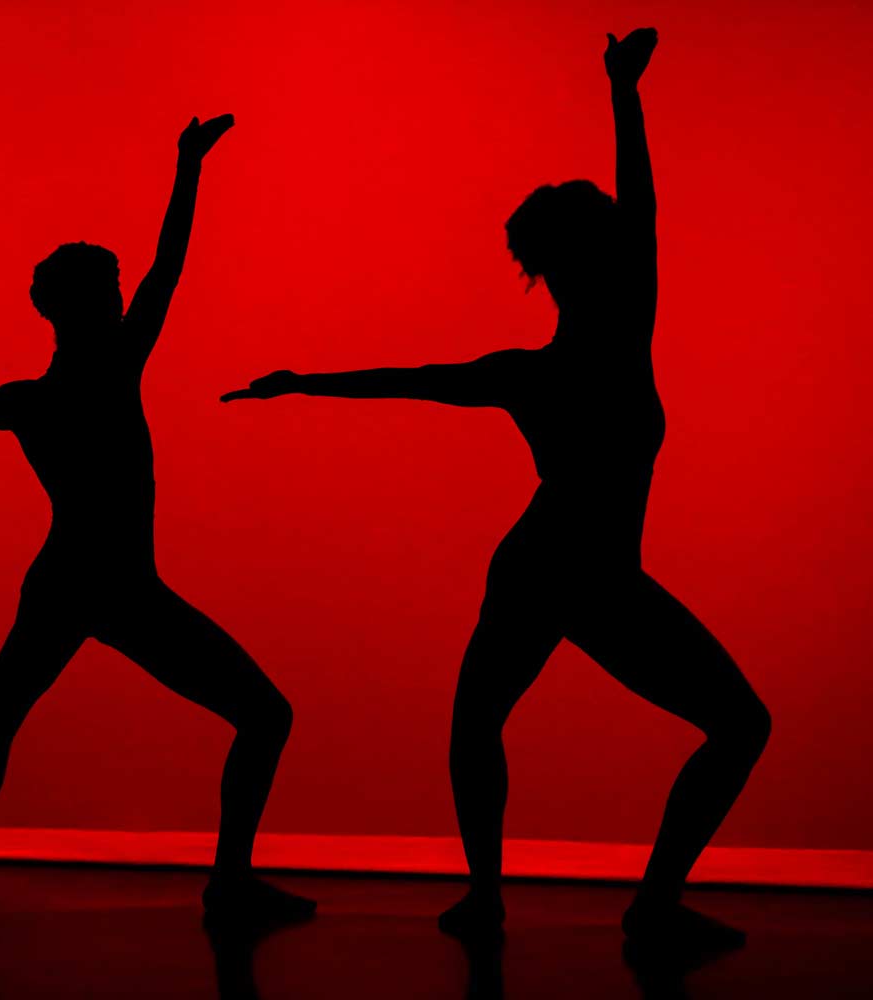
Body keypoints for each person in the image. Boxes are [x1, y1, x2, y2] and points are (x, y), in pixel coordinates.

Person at [223, 30, 768, 951]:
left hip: (566, 570)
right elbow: (418, 376)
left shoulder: (564, 354)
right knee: (508, 716)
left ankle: (581, 900)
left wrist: (623, 91)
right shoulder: (589, 347)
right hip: (568, 570)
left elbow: (639, 213)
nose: (627, 254)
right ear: (576, 264)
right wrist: (305, 382)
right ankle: (566, 900)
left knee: (690, 723)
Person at [0, 115, 314, 923]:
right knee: (262, 714)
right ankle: (223, 883)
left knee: (2, 718)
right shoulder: (104, 374)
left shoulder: (34, 400)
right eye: (112, 294)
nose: (125, 301)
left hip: (73, 584)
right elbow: (169, 269)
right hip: (111, 588)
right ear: (85, 309)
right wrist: (187, 166)